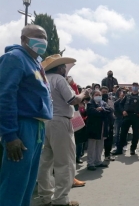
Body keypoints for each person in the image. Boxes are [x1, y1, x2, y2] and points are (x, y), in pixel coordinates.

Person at [0, 24, 53, 206]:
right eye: (38, 36)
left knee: (27, 183)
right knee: (14, 184)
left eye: (45, 37)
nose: (43, 41)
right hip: (22, 127)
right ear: (23, 39)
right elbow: (5, 96)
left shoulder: (36, 63)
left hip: (37, 127)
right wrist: (10, 134)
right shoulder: (14, 58)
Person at [37, 54, 90, 206]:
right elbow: (72, 100)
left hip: (45, 121)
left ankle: (45, 196)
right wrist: (83, 94)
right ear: (60, 68)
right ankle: (60, 199)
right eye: (64, 68)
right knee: (64, 162)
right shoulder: (59, 79)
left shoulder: (43, 79)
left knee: (45, 162)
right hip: (60, 121)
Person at [112, 82, 139, 155]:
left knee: (135, 134)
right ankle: (119, 149)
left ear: (138, 87)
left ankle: (133, 148)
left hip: (136, 116)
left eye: (136, 86)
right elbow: (120, 104)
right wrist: (123, 111)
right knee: (123, 133)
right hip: (127, 116)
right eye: (133, 86)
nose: (135, 87)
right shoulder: (127, 95)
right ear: (132, 87)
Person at [86, 90, 109, 171]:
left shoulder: (103, 103)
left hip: (102, 128)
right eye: (96, 94)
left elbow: (109, 111)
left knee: (100, 146)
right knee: (92, 147)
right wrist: (100, 111)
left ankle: (98, 161)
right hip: (93, 128)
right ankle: (90, 163)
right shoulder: (90, 103)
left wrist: (101, 109)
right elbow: (91, 112)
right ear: (93, 96)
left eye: (100, 94)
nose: (98, 96)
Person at [100, 86, 115, 161]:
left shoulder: (110, 101)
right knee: (100, 141)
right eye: (103, 92)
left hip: (110, 122)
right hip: (101, 123)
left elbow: (111, 110)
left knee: (109, 139)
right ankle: (98, 158)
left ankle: (107, 154)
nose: (104, 93)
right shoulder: (98, 101)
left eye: (106, 92)